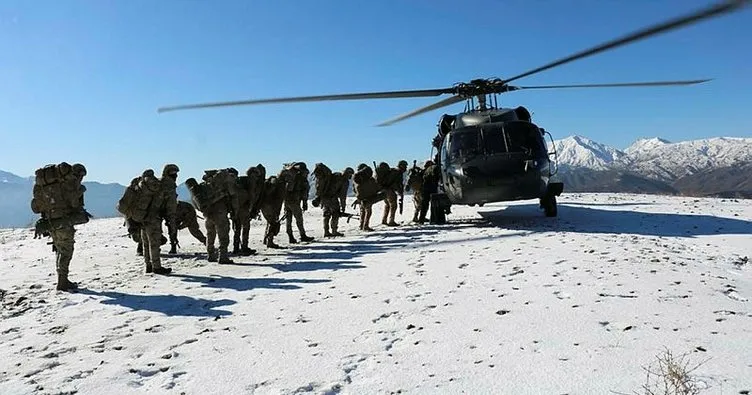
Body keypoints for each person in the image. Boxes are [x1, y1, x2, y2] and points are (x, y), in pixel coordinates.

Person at [31, 162, 90, 291]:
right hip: (63, 222)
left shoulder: (49, 185)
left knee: (59, 249)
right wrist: (80, 192)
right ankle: (62, 281)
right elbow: (73, 204)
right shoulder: (69, 185)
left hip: (49, 221)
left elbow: (36, 207)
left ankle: (62, 278)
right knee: (66, 250)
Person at [279, 162, 314, 244]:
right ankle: (303, 235)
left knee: (289, 219)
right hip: (294, 201)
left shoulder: (293, 178)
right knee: (299, 219)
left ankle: (290, 236)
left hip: (287, 200)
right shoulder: (301, 180)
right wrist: (305, 203)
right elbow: (304, 193)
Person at [311, 163, 346, 238]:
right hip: (332, 199)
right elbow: (342, 196)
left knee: (326, 215)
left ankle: (326, 232)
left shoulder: (330, 178)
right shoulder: (342, 180)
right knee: (335, 214)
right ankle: (334, 231)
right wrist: (343, 206)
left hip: (323, 198)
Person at [376, 160, 408, 226]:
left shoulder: (393, 171)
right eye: (405, 166)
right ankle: (391, 221)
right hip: (389, 190)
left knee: (387, 205)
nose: (406, 168)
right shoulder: (398, 173)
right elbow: (397, 184)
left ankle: (384, 220)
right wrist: (400, 192)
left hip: (383, 189)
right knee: (393, 205)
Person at [352, 163, 382, 231]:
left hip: (360, 197)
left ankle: (361, 225)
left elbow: (354, 189)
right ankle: (366, 226)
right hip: (368, 198)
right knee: (368, 212)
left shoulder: (356, 179)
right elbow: (375, 187)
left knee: (362, 211)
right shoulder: (369, 179)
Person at [260, 175, 286, 248]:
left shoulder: (272, 182)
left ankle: (266, 239)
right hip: (270, 206)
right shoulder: (277, 183)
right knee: (273, 223)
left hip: (265, 205)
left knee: (270, 222)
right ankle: (270, 241)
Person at [159, 164, 180, 254]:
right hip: (166, 209)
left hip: (160, 209)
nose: (176, 175)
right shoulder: (169, 183)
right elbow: (171, 199)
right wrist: (171, 212)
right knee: (172, 228)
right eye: (173, 172)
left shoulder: (161, 181)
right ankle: (173, 246)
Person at [418, 160, 441, 224]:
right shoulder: (434, 168)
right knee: (434, 204)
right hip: (432, 188)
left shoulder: (424, 171)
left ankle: (421, 220)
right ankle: (434, 219)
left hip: (424, 189)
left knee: (424, 205)